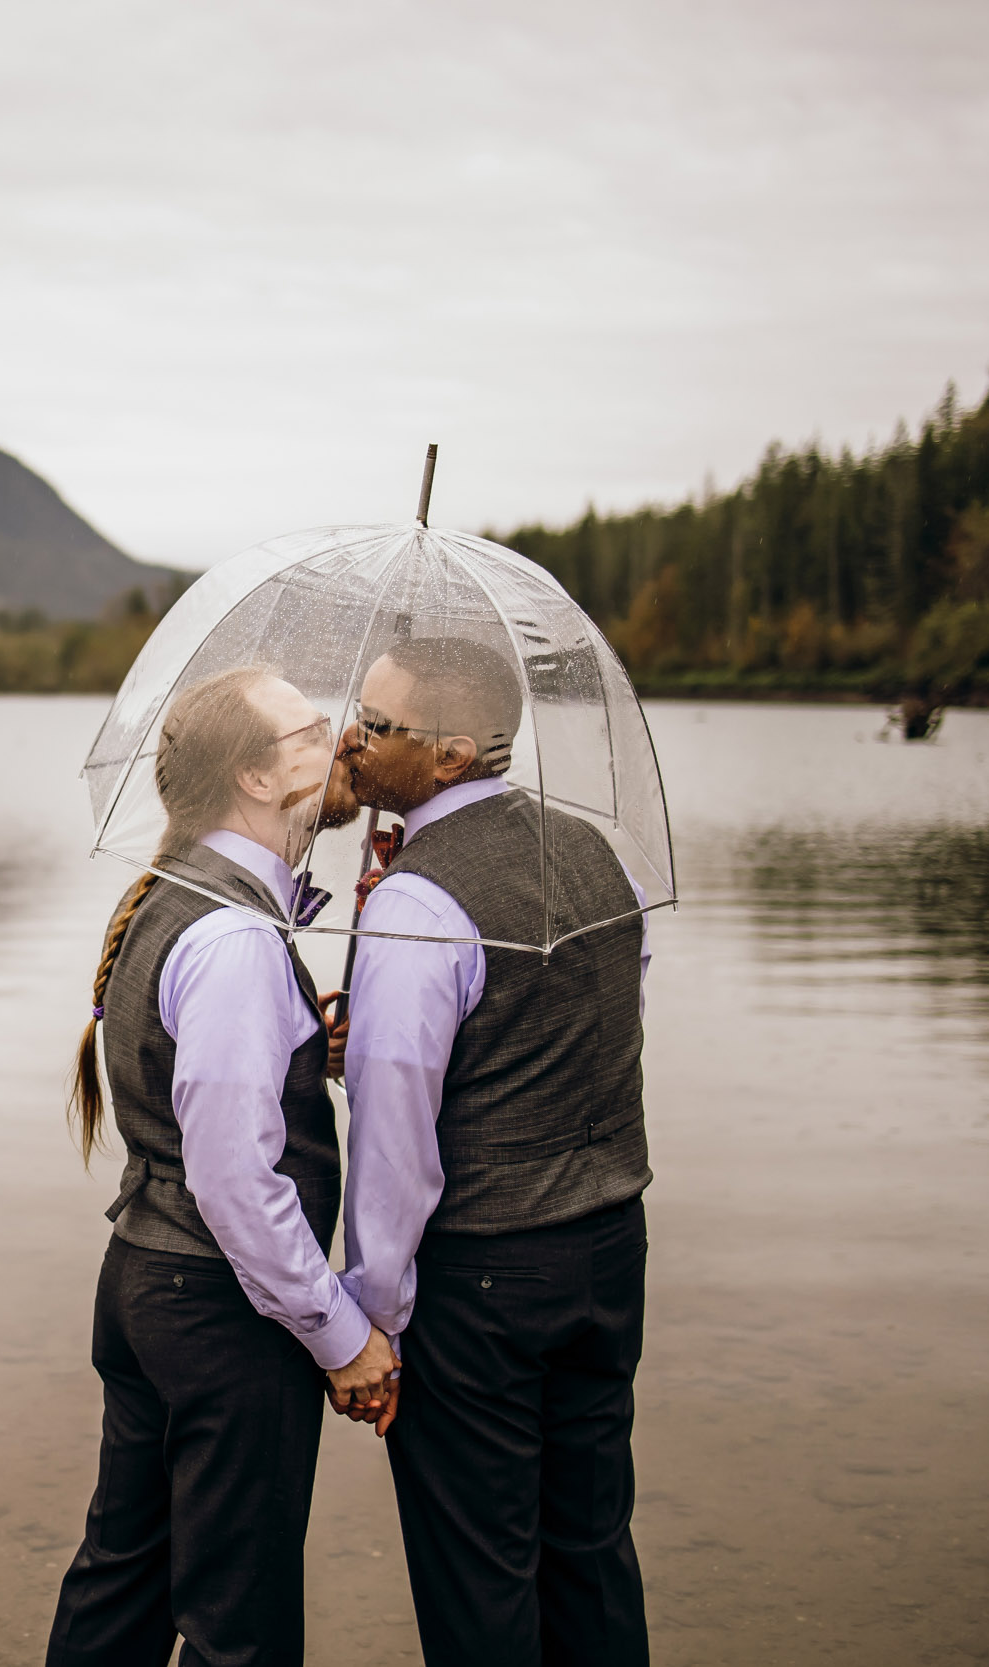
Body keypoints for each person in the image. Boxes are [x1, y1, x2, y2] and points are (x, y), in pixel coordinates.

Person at [47, 664, 396, 1667]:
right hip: (219, 1314)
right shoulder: (237, 936)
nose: (343, 743)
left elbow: (192, 1092)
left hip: (145, 1284)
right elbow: (235, 1180)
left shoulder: (181, 898)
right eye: (308, 732)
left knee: (123, 1578)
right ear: (252, 777)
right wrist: (339, 1333)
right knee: (239, 1624)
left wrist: (303, 1040)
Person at [337, 635, 654, 1667]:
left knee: (479, 1576)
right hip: (609, 1247)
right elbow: (581, 1021)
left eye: (378, 725)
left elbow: (395, 1140)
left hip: (481, 1278)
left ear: (452, 753)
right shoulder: (596, 851)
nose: (354, 735)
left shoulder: (418, 901)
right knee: (589, 1546)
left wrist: (372, 1318)